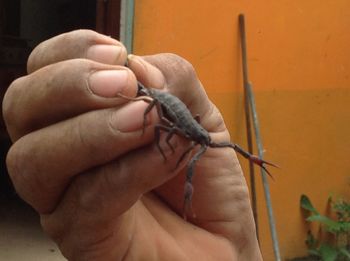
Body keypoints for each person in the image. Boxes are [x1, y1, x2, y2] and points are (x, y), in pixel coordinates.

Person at [3, 30, 262, 260]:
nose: (207, 144)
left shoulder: (200, 138)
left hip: (181, 119)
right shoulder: (191, 133)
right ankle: (123, 91)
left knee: (160, 126)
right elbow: (165, 127)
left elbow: (215, 145)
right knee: (153, 119)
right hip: (168, 107)